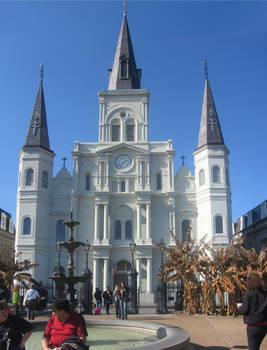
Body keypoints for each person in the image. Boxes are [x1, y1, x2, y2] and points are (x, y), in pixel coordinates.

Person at [238, 272, 267, 350]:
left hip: (253, 325)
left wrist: (240, 307)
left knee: (253, 348)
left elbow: (245, 310)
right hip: (264, 325)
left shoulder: (248, 294)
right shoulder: (264, 293)